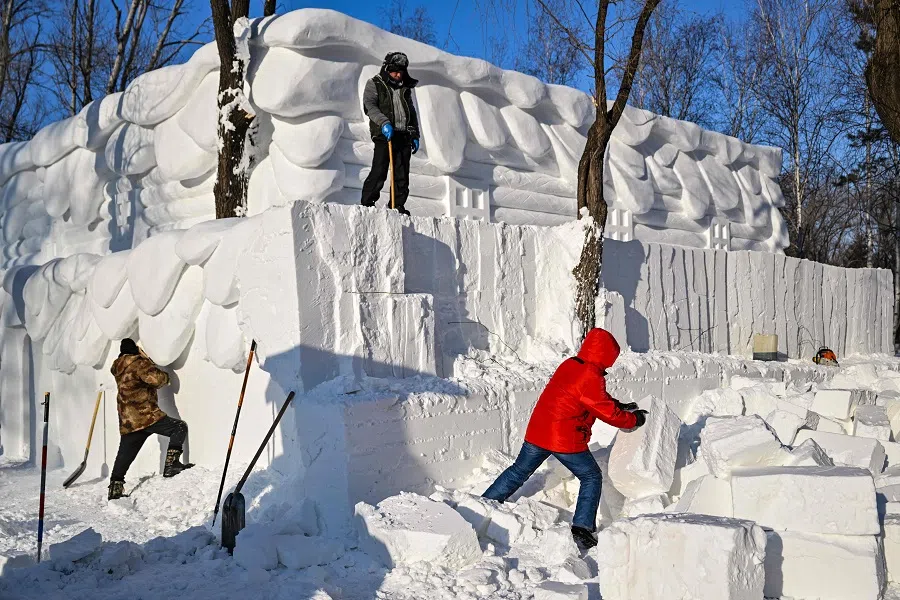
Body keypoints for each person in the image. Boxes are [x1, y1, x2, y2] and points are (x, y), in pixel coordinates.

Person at [482, 328, 647, 549]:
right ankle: (582, 528)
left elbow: (591, 398)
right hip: (563, 438)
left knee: (519, 470)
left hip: (538, 430)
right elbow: (604, 410)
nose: (610, 365)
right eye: (610, 359)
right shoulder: (591, 375)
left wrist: (618, 405)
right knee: (591, 476)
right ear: (605, 354)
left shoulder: (571, 364)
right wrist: (632, 420)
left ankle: (484, 503)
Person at [107, 339, 193, 500]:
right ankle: (171, 465)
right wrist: (147, 360)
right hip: (146, 415)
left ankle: (114, 488)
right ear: (135, 350)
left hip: (128, 420)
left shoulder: (118, 367)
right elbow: (159, 380)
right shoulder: (138, 363)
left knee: (124, 455)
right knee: (179, 428)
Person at [360, 51, 420, 216]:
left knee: (401, 175)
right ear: (387, 69)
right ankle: (367, 203)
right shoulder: (374, 83)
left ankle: (397, 206)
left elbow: (411, 113)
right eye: (395, 71)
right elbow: (369, 106)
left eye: (401, 72)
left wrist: (414, 134)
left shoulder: (405, 89)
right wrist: (384, 123)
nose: (398, 75)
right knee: (379, 170)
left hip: (403, 135)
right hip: (385, 134)